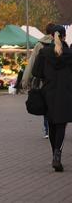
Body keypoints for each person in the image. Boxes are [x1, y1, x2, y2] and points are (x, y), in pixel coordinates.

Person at [32, 25, 72, 172]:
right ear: (64, 37)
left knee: (52, 124)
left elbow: (37, 72)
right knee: (61, 124)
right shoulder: (69, 53)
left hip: (48, 92)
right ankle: (57, 154)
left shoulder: (44, 52)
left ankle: (54, 155)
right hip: (66, 93)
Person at [22, 23, 56, 138]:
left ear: (46, 31)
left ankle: (47, 129)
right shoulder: (61, 44)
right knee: (56, 104)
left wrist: (25, 81)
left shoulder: (39, 45)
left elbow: (32, 63)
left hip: (43, 80)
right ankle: (57, 127)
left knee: (46, 104)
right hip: (57, 81)